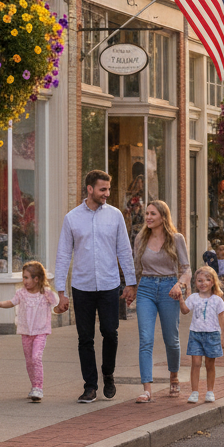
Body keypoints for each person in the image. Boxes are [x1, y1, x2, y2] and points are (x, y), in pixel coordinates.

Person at [54, 169, 135, 404]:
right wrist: (61, 292)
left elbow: (124, 250)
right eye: (103, 189)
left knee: (110, 332)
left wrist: (130, 283)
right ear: (89, 189)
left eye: (108, 189)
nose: (107, 194)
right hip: (82, 287)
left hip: (110, 285)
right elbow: (62, 256)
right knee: (85, 338)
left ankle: (108, 374)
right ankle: (90, 386)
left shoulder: (115, 215)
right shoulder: (71, 218)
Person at [133, 201, 190, 404]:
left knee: (171, 339)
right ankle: (147, 389)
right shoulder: (141, 238)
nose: (148, 217)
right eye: (147, 213)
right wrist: (132, 288)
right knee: (146, 339)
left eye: (153, 214)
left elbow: (187, 269)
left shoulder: (176, 239)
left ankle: (174, 376)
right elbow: (136, 269)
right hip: (146, 288)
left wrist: (179, 285)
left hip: (169, 289)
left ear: (163, 217)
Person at [0, 261, 59, 402]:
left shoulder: (45, 293)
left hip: (41, 331)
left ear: (36, 279)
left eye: (27, 277)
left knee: (36, 358)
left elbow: (57, 304)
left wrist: (60, 307)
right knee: (29, 361)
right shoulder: (21, 293)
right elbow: (11, 302)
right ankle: (34, 386)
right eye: (23, 277)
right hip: (26, 332)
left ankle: (39, 387)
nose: (24, 281)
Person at [181, 266, 224, 404]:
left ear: (213, 282)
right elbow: (185, 311)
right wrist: (180, 299)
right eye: (200, 280)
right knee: (195, 363)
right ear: (196, 282)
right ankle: (194, 392)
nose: (203, 283)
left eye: (207, 280)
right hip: (195, 334)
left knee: (209, 365)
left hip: (212, 335)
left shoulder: (217, 300)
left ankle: (210, 391)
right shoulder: (193, 298)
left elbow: (222, 320)